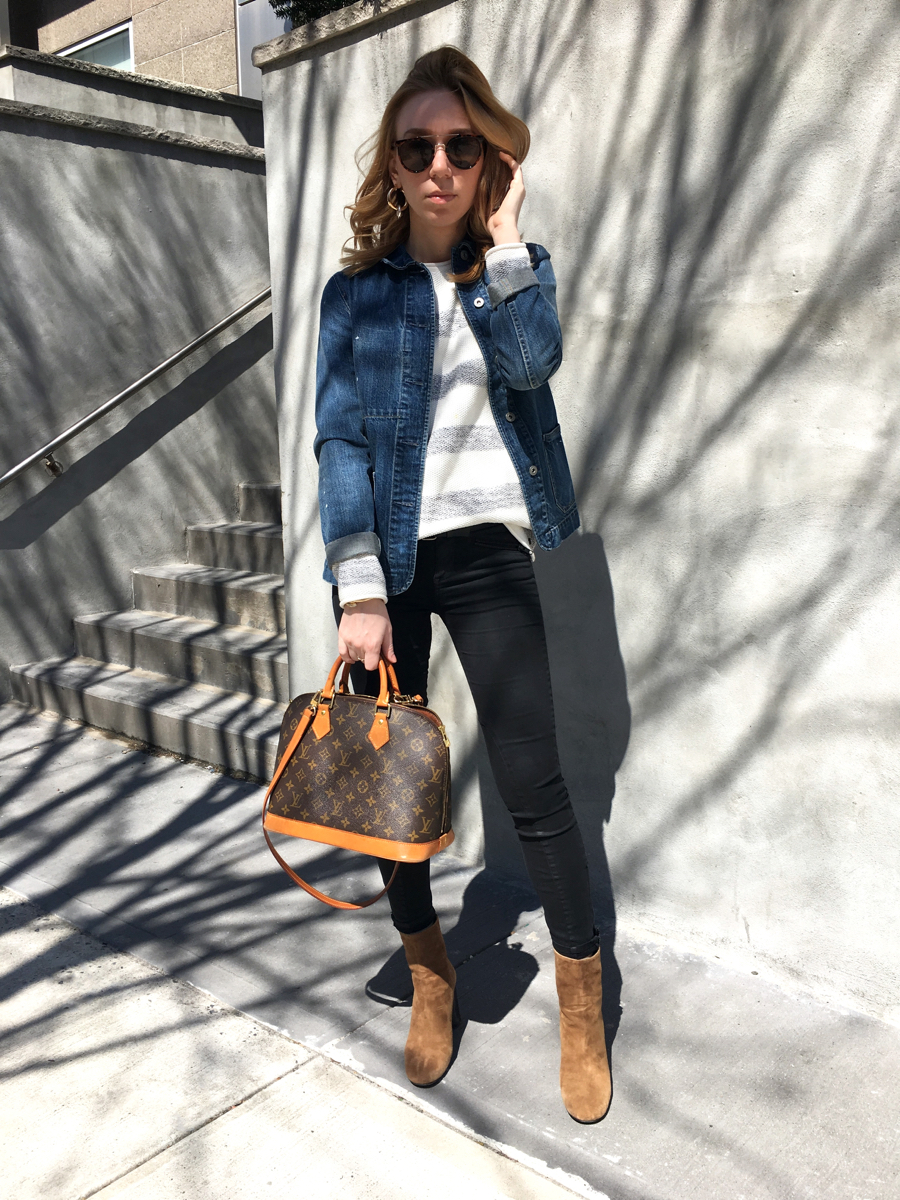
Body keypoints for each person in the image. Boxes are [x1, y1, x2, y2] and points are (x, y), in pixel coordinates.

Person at [313, 45, 610, 1123]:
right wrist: (356, 588)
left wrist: (512, 235)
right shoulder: (355, 297)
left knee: (537, 789)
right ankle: (431, 972)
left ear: (488, 159)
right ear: (392, 166)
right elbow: (339, 440)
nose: (439, 164)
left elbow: (533, 367)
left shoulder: (516, 271)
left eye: (462, 146)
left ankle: (582, 1001)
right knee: (399, 796)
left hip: (488, 555)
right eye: (417, 146)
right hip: (384, 569)